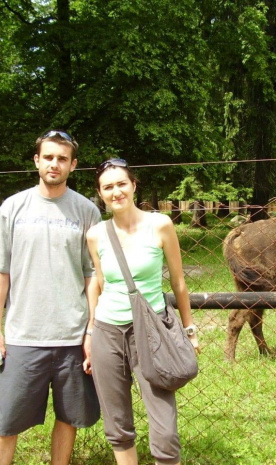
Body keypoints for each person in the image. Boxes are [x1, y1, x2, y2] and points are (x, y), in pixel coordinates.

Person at [0, 130, 101, 465]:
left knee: (69, 418)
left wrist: (91, 330)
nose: (54, 164)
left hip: (72, 337)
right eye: (48, 157)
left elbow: (93, 276)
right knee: (6, 424)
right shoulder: (13, 207)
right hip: (22, 337)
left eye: (62, 159)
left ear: (73, 165)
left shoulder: (87, 211)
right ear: (36, 160)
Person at [85, 158, 200, 465]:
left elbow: (178, 282)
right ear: (100, 193)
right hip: (107, 332)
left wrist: (189, 329)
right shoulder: (96, 235)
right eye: (108, 187)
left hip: (151, 330)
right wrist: (91, 330)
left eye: (122, 183)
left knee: (164, 425)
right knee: (117, 423)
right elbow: (99, 281)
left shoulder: (160, 225)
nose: (116, 191)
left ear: (134, 186)